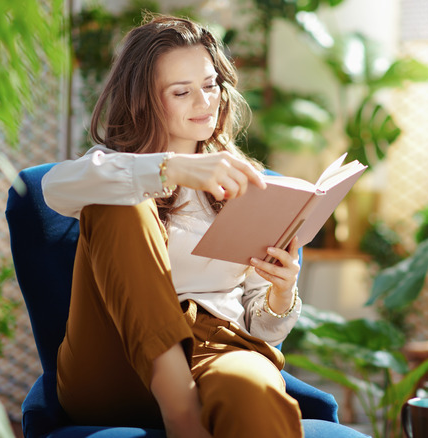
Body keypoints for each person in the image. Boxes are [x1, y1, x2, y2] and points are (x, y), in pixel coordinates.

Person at [42, 14, 305, 438]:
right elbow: (54, 187)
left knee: (254, 389)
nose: (204, 103)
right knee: (119, 202)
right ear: (144, 100)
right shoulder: (114, 169)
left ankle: (192, 398)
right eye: (182, 92)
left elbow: (262, 331)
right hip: (114, 362)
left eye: (210, 85)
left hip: (216, 346)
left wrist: (280, 290)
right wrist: (173, 168)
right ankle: (179, 409)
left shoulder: (246, 182)